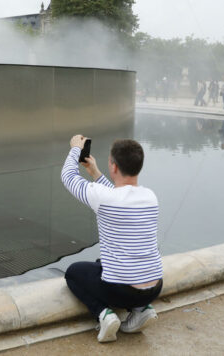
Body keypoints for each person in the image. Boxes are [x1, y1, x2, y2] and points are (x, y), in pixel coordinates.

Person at [61, 136, 163, 342]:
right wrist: (95, 173)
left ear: (114, 166)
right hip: (155, 287)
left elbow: (68, 176)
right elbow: (119, 194)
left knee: (73, 273)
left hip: (120, 290)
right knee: (104, 264)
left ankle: (104, 315)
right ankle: (143, 309)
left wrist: (75, 149)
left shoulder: (104, 198)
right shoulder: (150, 197)